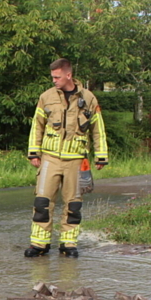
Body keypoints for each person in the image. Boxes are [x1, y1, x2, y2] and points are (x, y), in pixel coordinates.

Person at [24, 58, 108, 258]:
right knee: (42, 203)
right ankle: (39, 244)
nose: (54, 80)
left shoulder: (88, 98)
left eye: (57, 77)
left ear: (68, 75)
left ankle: (68, 244)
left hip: (76, 160)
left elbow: (98, 129)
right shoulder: (46, 97)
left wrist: (101, 155)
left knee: (73, 205)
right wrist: (34, 153)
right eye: (52, 77)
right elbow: (37, 126)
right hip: (50, 158)